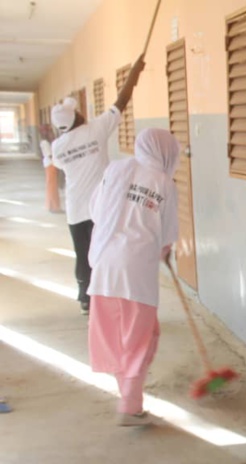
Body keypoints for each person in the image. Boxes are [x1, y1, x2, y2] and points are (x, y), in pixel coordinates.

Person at [87, 128, 180, 427]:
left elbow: (95, 211)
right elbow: (167, 235)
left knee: (116, 334)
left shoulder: (115, 170)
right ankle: (129, 404)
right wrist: (165, 250)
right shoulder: (164, 182)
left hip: (104, 265)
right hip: (136, 270)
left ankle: (127, 394)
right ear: (166, 152)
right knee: (142, 337)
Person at [51, 54, 146, 315]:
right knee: (107, 251)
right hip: (103, 208)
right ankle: (110, 296)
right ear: (75, 117)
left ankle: (86, 297)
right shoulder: (96, 129)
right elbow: (122, 101)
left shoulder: (58, 147)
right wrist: (134, 73)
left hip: (76, 209)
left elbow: (60, 165)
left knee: (83, 253)